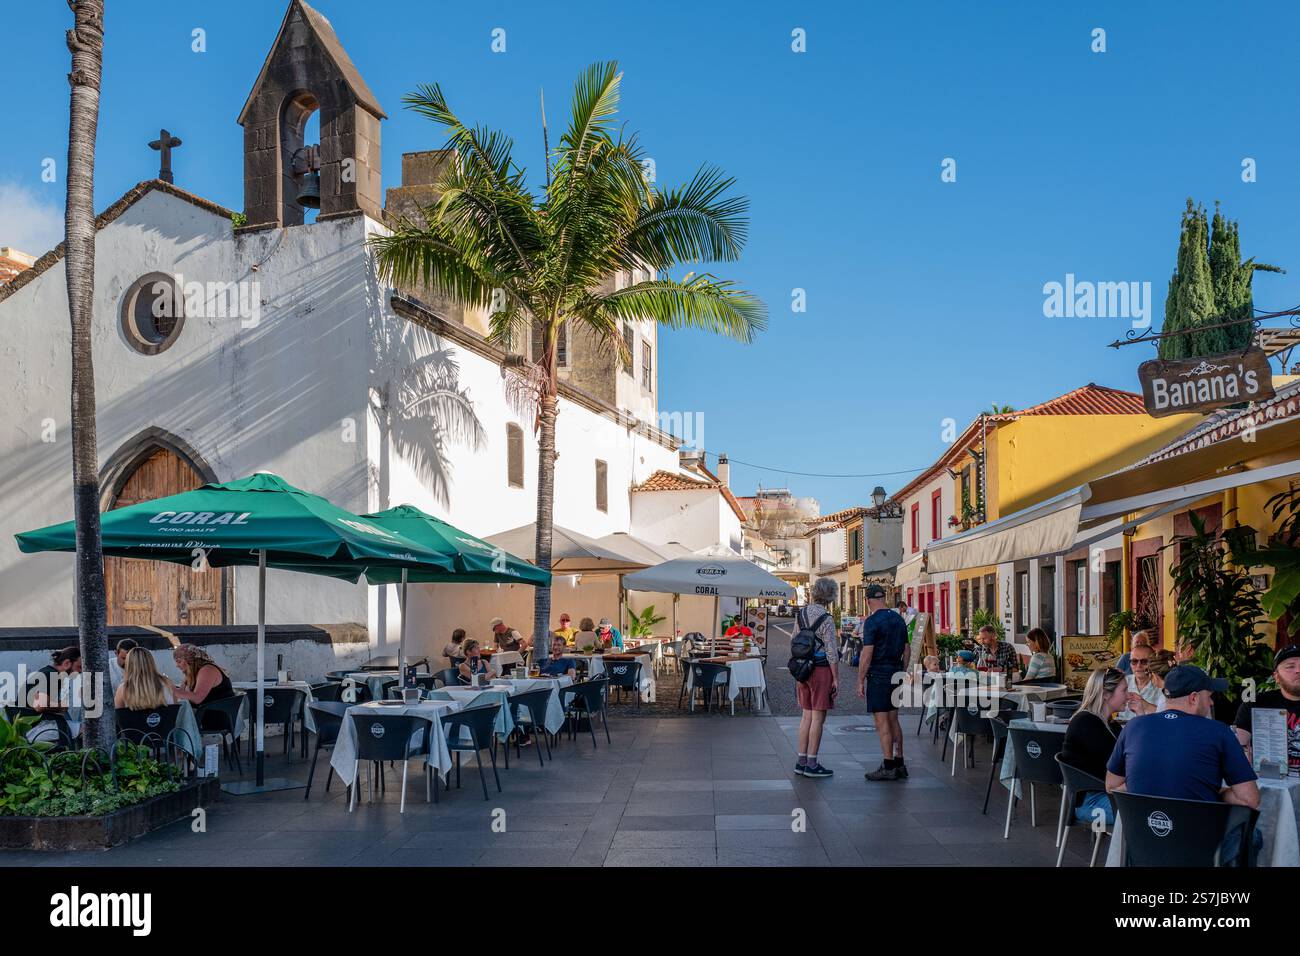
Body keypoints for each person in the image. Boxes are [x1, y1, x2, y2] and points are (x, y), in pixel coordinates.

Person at [1106, 665, 1260, 865]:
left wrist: (1148, 785)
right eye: (1209, 696)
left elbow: (1111, 786)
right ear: (1194, 698)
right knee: (1254, 835)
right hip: (1199, 849)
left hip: (1144, 842)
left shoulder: (1134, 727)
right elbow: (1250, 800)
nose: (1212, 702)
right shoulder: (1218, 732)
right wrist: (1217, 793)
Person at [858, 583, 911, 781]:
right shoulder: (898, 619)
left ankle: (888, 765)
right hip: (895, 671)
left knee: (882, 723)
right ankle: (899, 762)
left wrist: (860, 679)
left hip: (879, 675)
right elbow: (907, 650)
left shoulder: (872, 622)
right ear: (884, 599)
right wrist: (902, 671)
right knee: (894, 719)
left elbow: (867, 654)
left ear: (869, 601)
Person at [1062, 667, 1128, 825]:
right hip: (1090, 802)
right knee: (1148, 816)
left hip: (1108, 794)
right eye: (1124, 691)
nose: (1129, 696)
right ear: (1106, 694)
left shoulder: (1111, 724)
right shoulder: (1086, 723)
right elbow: (1120, 767)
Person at [793, 577, 839, 779]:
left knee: (806, 716)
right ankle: (812, 763)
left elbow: (794, 640)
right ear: (830, 596)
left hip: (802, 669)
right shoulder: (827, 618)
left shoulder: (801, 614)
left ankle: (801, 761)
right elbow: (831, 652)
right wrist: (835, 678)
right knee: (818, 718)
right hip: (820, 670)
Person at [1234, 644, 1300, 775]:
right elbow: (1239, 744)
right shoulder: (1256, 704)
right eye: (1290, 666)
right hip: (1270, 782)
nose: (1298, 670)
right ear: (1276, 677)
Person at [170, 644, 236, 706]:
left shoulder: (208, 670)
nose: (177, 665)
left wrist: (173, 689)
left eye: (179, 661)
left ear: (189, 660)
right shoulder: (191, 673)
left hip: (214, 714)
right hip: (200, 712)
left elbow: (197, 698)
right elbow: (181, 693)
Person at [1125, 643, 1165, 715]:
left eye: (1144, 662)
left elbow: (1167, 715)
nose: (1138, 665)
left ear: (1153, 662)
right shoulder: (1123, 682)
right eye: (1134, 661)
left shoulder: (1161, 685)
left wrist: (1145, 705)